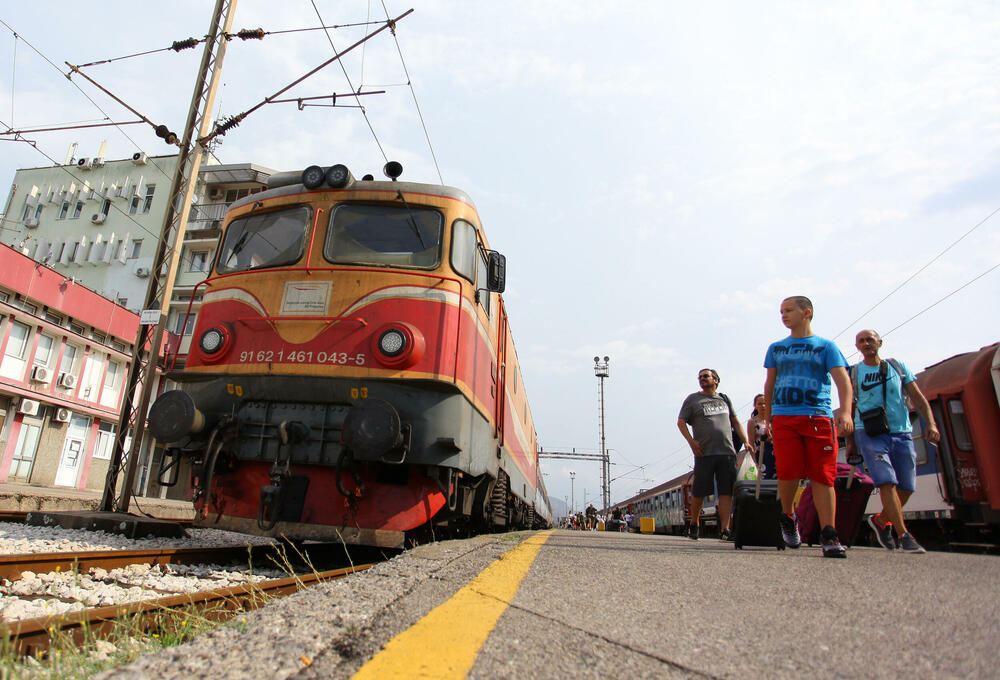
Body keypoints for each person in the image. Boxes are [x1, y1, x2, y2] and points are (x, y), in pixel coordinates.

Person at [760, 296, 853, 558]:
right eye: (781, 312)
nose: (784, 315)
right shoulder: (777, 349)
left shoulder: (826, 347)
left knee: (822, 475)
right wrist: (769, 418)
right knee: (788, 472)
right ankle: (788, 516)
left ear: (807, 312)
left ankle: (829, 533)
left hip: (818, 417)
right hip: (785, 418)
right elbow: (770, 384)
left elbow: (842, 381)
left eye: (789, 310)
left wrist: (845, 412)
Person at [849, 329, 941, 553]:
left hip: (901, 431)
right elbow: (849, 408)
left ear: (879, 342)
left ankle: (881, 521)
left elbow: (917, 397)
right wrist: (850, 441)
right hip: (869, 432)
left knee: (907, 486)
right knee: (886, 480)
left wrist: (930, 423)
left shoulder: (897, 367)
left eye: (870, 339)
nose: (867, 343)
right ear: (857, 348)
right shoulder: (853, 373)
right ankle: (904, 535)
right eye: (861, 341)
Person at [677, 368, 752, 541]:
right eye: (700, 377)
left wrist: (746, 441)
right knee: (700, 491)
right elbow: (681, 422)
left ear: (716, 380)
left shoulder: (724, 399)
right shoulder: (693, 399)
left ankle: (725, 529)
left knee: (726, 491)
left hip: (727, 452)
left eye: (706, 376)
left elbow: (735, 421)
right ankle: (694, 523)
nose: (702, 379)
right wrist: (691, 442)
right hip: (705, 452)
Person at [747, 393, 776, 480]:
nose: (763, 406)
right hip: (761, 456)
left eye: (765, 403)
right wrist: (754, 461)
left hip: (775, 454)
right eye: (759, 404)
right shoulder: (752, 422)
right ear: (755, 406)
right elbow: (751, 442)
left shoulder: (774, 421)